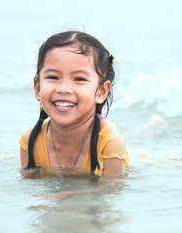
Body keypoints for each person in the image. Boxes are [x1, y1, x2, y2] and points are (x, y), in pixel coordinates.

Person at [19, 31, 128, 179]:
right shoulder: (30, 142)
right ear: (37, 88)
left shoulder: (110, 145)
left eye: (79, 79)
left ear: (101, 91)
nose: (63, 89)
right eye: (53, 77)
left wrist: (61, 196)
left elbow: (110, 191)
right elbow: (29, 188)